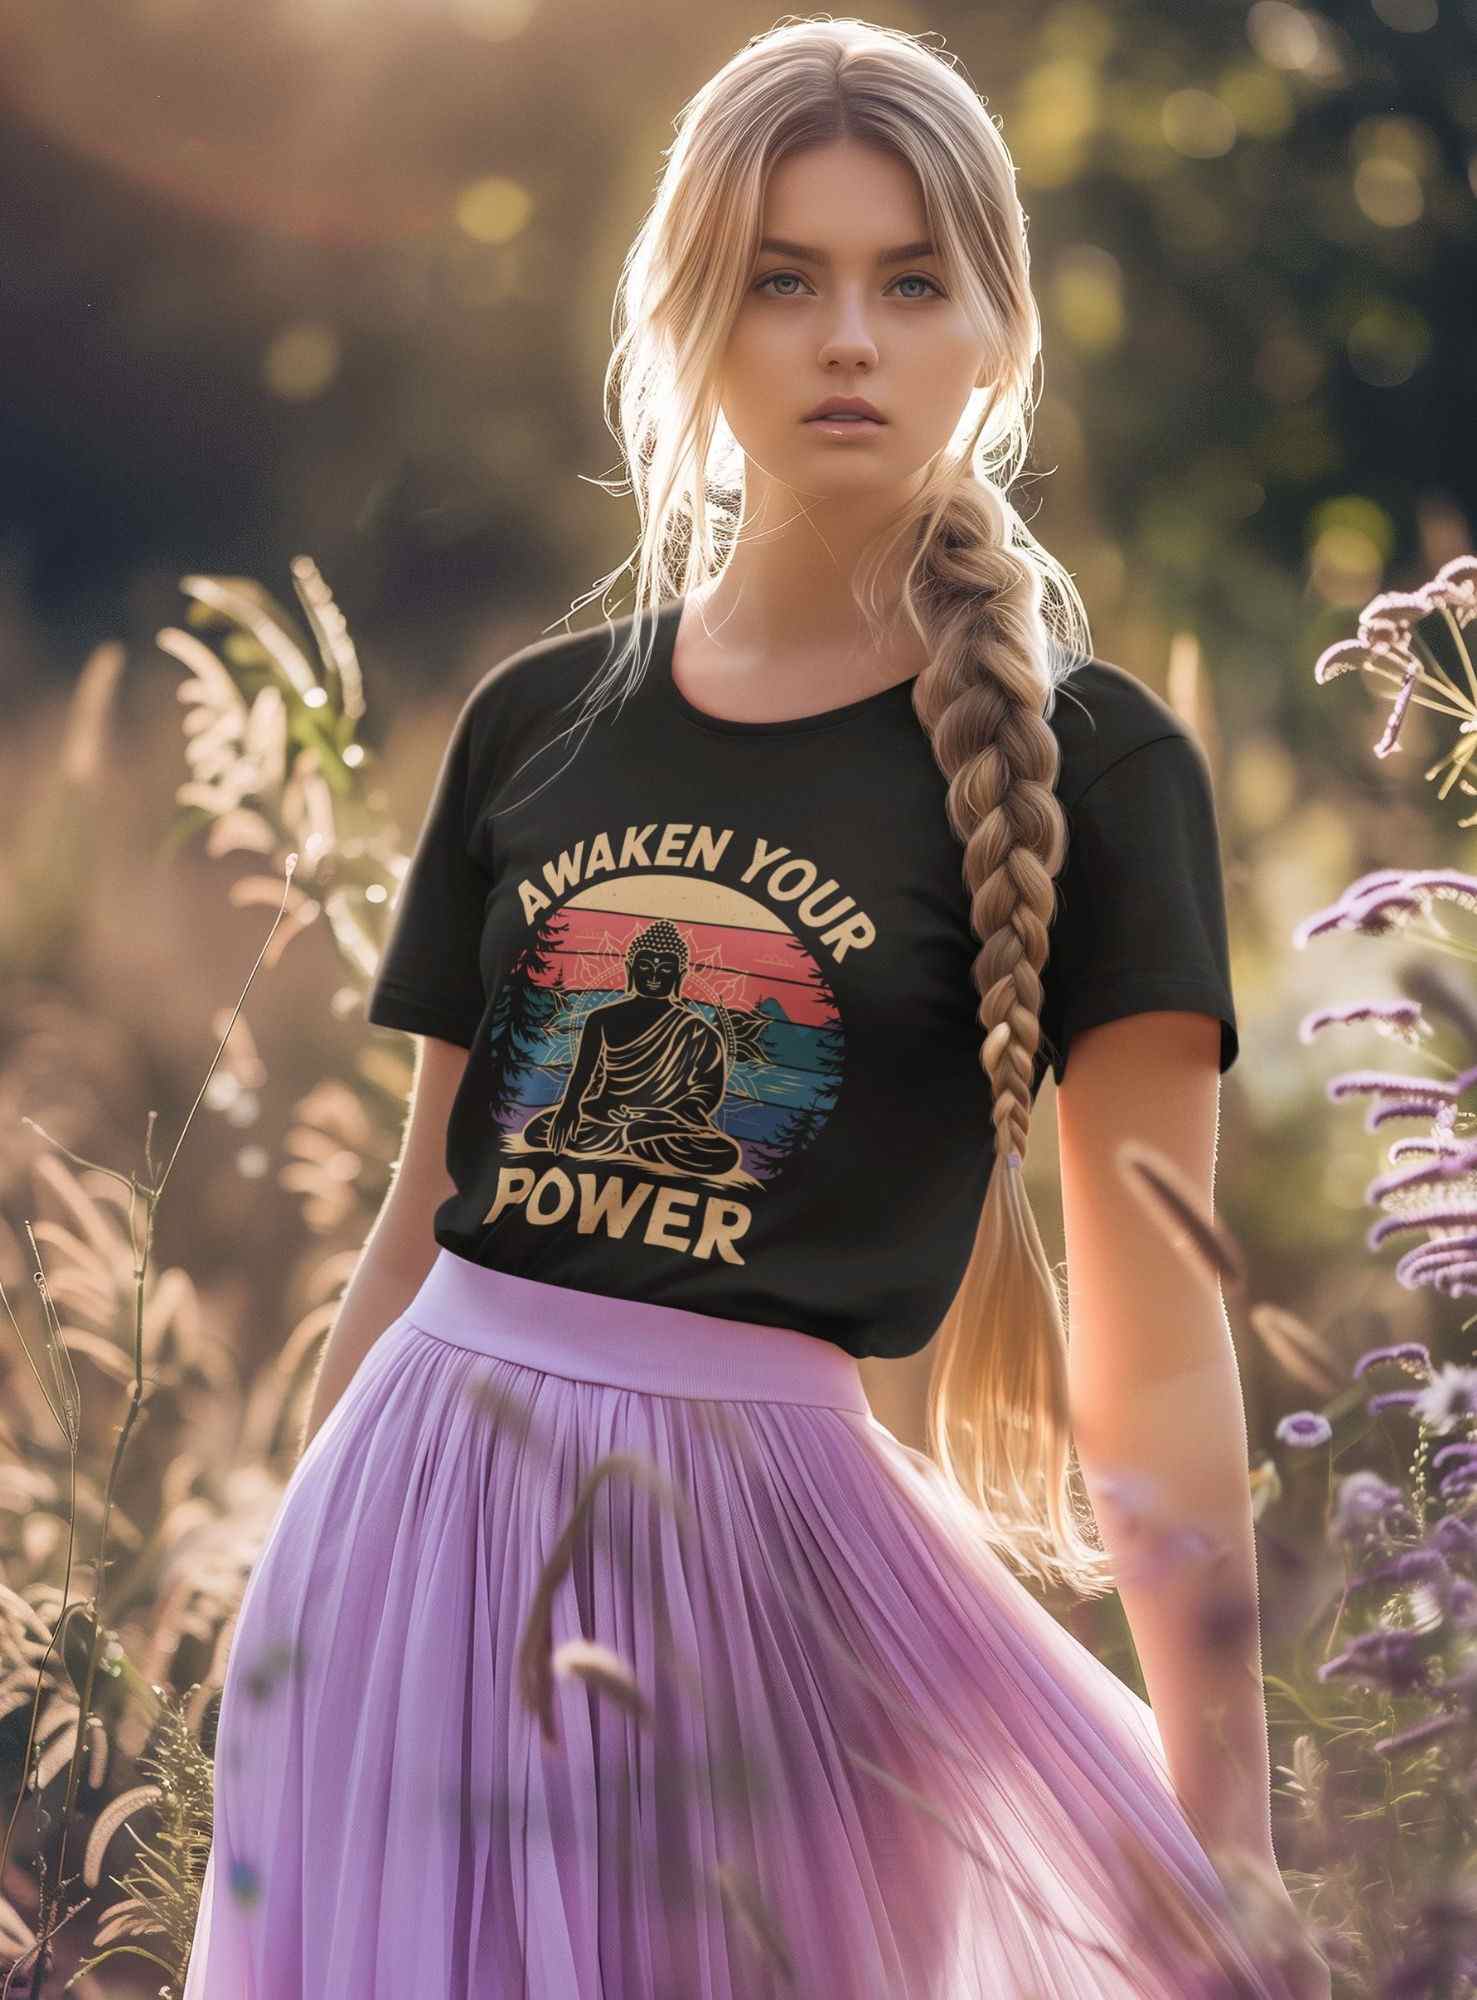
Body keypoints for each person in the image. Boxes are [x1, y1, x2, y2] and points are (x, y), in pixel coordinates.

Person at [181, 19, 1330, 1999]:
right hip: (411, 1532)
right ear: (691, 322)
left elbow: (1153, 1350)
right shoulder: (537, 725)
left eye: (909, 281)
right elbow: (415, 1219)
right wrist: (289, 1599)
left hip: (768, 1588)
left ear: (997, 332)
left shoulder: (1098, 766)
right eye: (781, 281)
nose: (847, 340)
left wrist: (1219, 1821)